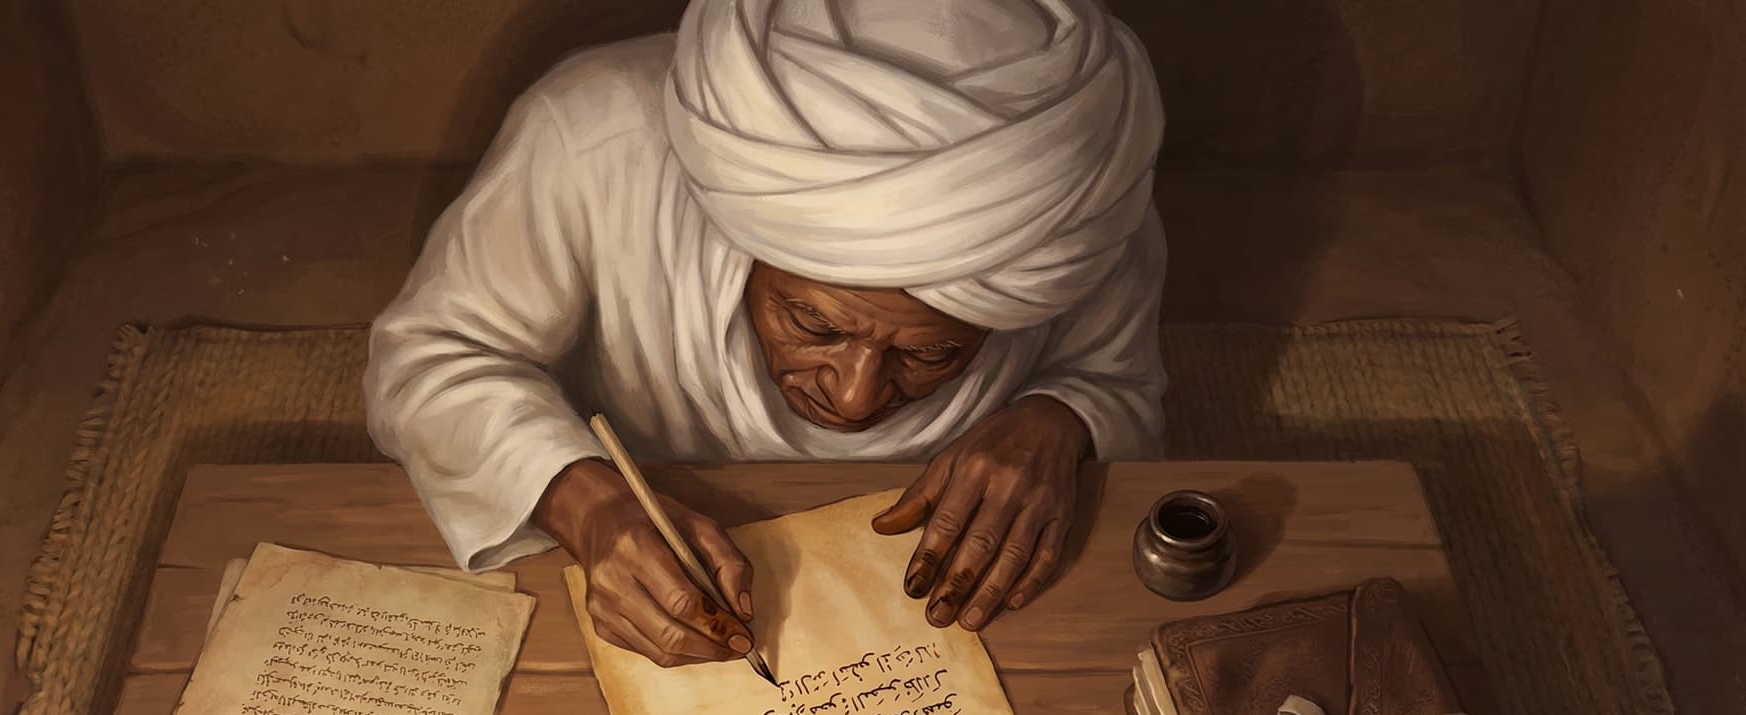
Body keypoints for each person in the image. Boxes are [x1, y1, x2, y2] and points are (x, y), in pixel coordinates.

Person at [366, 0, 1166, 668]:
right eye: (813, 323)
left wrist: (1063, 419)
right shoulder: (593, 136)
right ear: (738, 236)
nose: (854, 400)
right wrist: (582, 500)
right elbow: (428, 359)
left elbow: (1120, 385)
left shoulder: (1071, 196)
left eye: (931, 354)